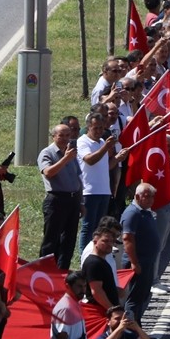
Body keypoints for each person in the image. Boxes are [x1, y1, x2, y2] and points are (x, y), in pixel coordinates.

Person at [76, 110, 120, 257]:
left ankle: (96, 253)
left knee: (100, 228)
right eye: (96, 128)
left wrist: (118, 158)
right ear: (88, 127)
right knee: (88, 227)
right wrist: (105, 148)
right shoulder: (83, 142)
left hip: (104, 190)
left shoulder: (102, 142)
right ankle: (84, 255)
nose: (99, 131)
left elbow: (105, 166)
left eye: (101, 128)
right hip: (89, 191)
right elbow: (89, 160)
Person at [38, 123, 83, 270]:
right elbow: (48, 172)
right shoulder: (47, 153)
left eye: (67, 135)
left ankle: (62, 272)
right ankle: (45, 272)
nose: (64, 139)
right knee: (52, 240)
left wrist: (80, 202)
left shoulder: (71, 152)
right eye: (61, 135)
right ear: (53, 136)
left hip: (73, 200)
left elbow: (77, 177)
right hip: (56, 200)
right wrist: (65, 159)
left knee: (69, 240)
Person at [121, 183, 160, 324]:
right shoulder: (132, 213)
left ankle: (137, 328)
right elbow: (127, 238)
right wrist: (134, 262)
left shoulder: (145, 211)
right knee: (135, 298)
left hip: (147, 261)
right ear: (137, 196)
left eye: (152, 197)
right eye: (147, 196)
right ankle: (130, 330)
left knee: (142, 295)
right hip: (138, 262)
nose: (151, 200)